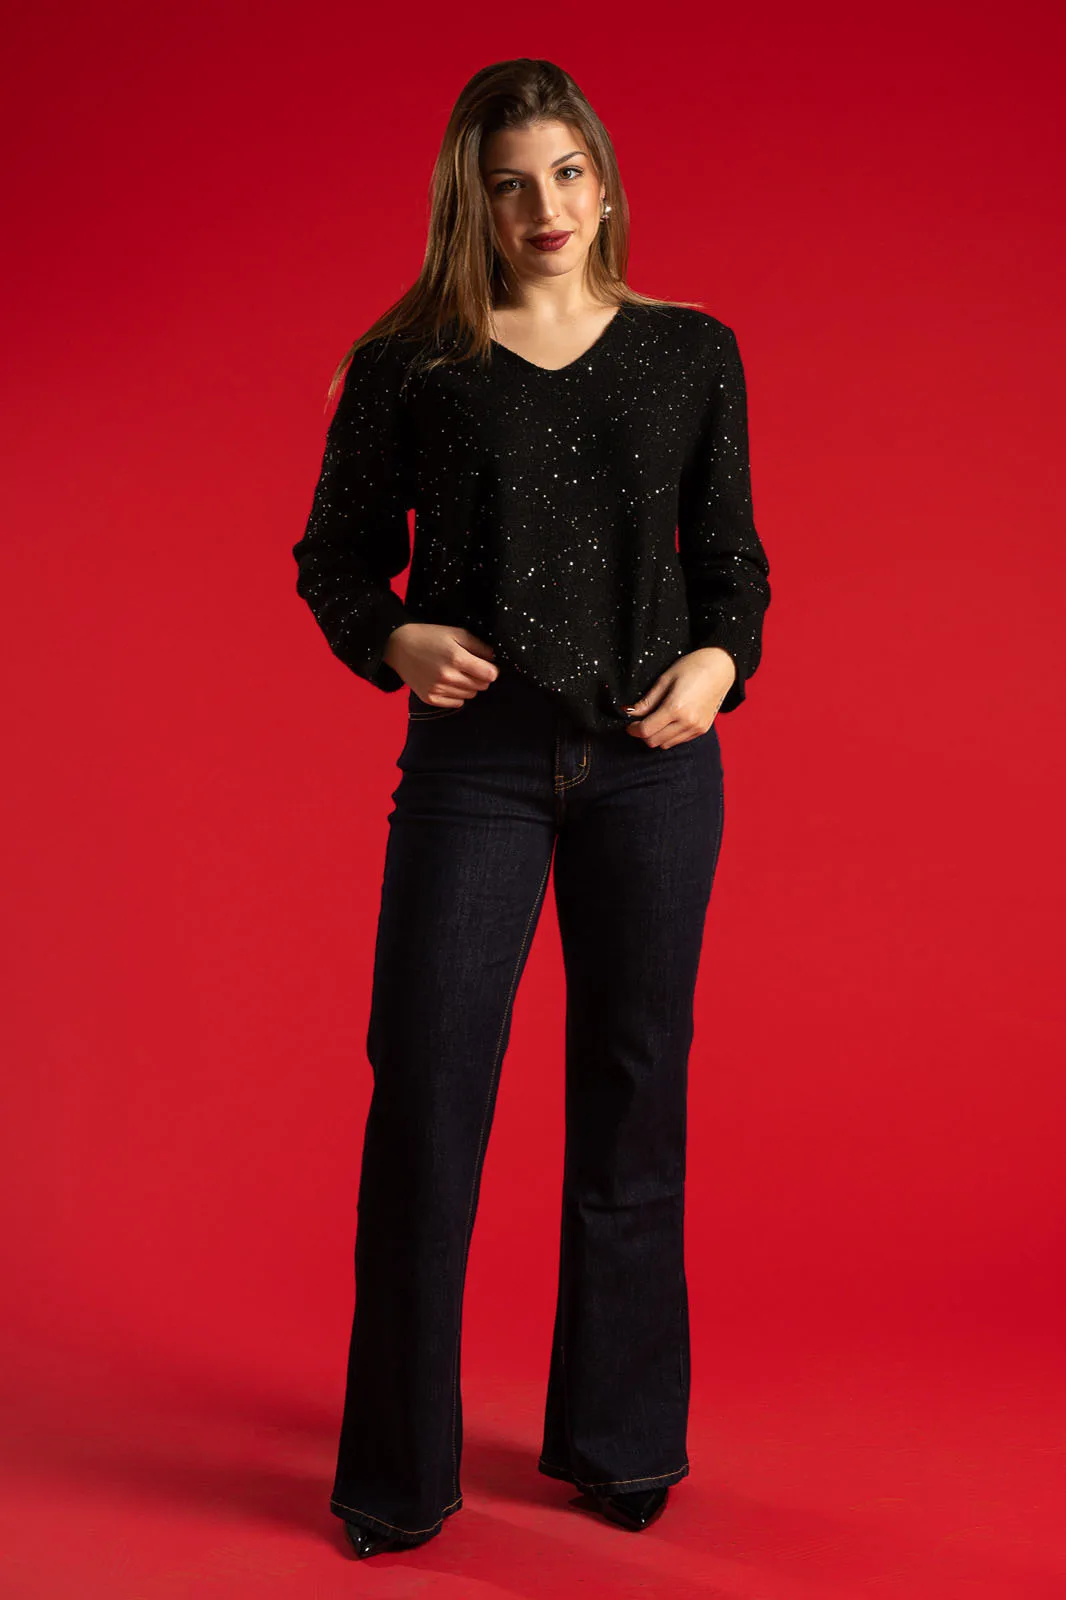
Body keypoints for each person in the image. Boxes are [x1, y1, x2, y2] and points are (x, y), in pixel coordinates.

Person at [291, 57, 771, 1560]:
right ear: (471, 204)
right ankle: (396, 1475)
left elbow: (732, 563)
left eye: (564, 174)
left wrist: (720, 662)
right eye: (508, 185)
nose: (543, 207)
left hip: (652, 768)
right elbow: (334, 556)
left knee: (633, 1096)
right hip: (476, 771)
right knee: (427, 1100)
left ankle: (621, 1444)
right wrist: (392, 637)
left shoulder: (691, 350)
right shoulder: (412, 366)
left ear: (604, 184)